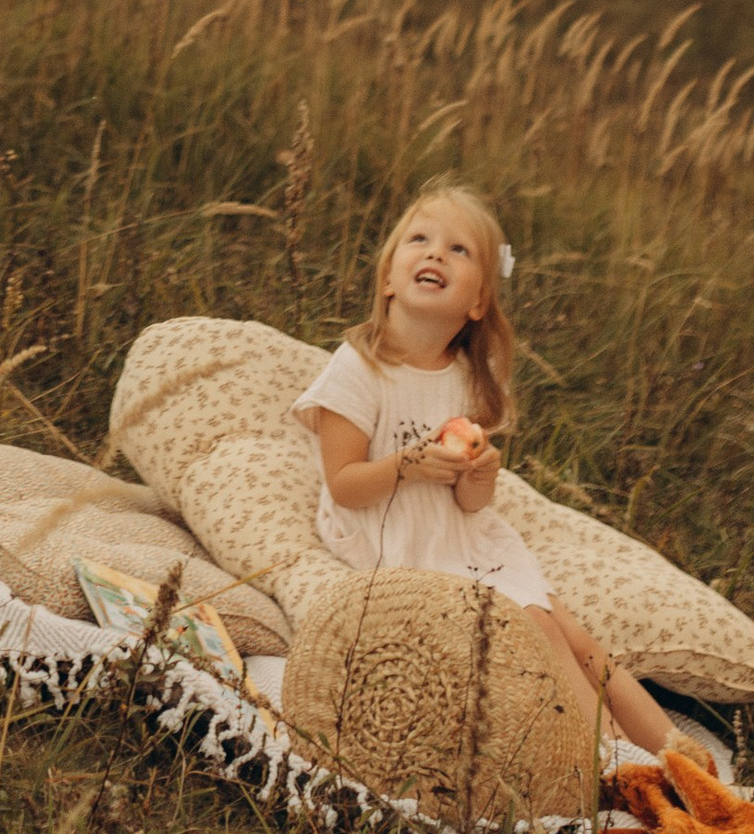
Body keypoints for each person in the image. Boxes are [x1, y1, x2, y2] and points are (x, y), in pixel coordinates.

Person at [296, 179, 696, 759]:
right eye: (420, 239)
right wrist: (407, 464)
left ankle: (684, 757)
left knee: (577, 637)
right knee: (541, 629)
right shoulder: (357, 368)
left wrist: (479, 475)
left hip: (464, 534)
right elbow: (344, 486)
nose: (435, 253)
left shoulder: (467, 376)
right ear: (388, 278)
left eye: (459, 250)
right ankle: (618, 763)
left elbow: (472, 505)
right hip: (401, 541)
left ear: (478, 301)